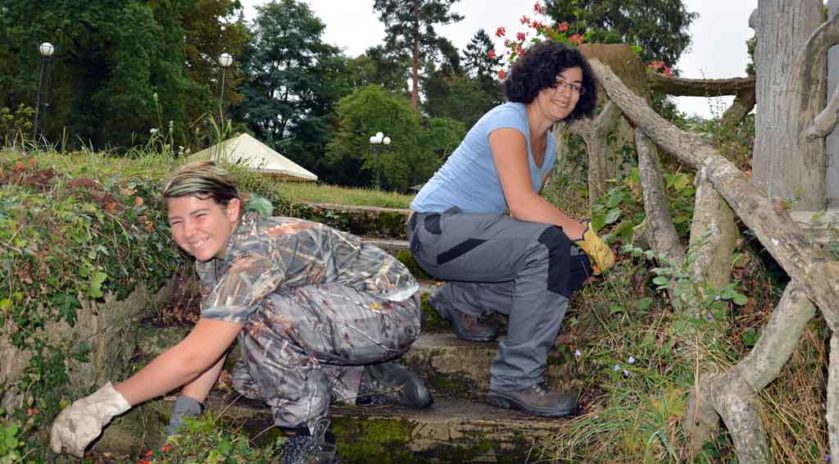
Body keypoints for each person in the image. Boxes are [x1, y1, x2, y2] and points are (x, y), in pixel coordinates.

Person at [50, 161, 432, 463]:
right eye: (176, 221)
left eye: (200, 216)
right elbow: (210, 347)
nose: (188, 231)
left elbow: (195, 353)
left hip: (387, 311)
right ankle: (366, 382)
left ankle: (310, 442)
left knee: (262, 317)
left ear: (231, 209)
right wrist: (182, 428)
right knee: (252, 378)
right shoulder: (213, 255)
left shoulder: (256, 252)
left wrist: (105, 404)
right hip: (341, 316)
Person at [407, 41, 615, 418]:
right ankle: (516, 380)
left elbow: (526, 224)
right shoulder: (507, 120)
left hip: (475, 240)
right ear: (536, 80)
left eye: (575, 87)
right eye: (558, 82)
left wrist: (579, 250)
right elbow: (522, 204)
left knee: (573, 263)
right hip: (435, 231)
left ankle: (462, 299)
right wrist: (583, 233)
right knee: (557, 245)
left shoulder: (548, 148)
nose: (566, 94)